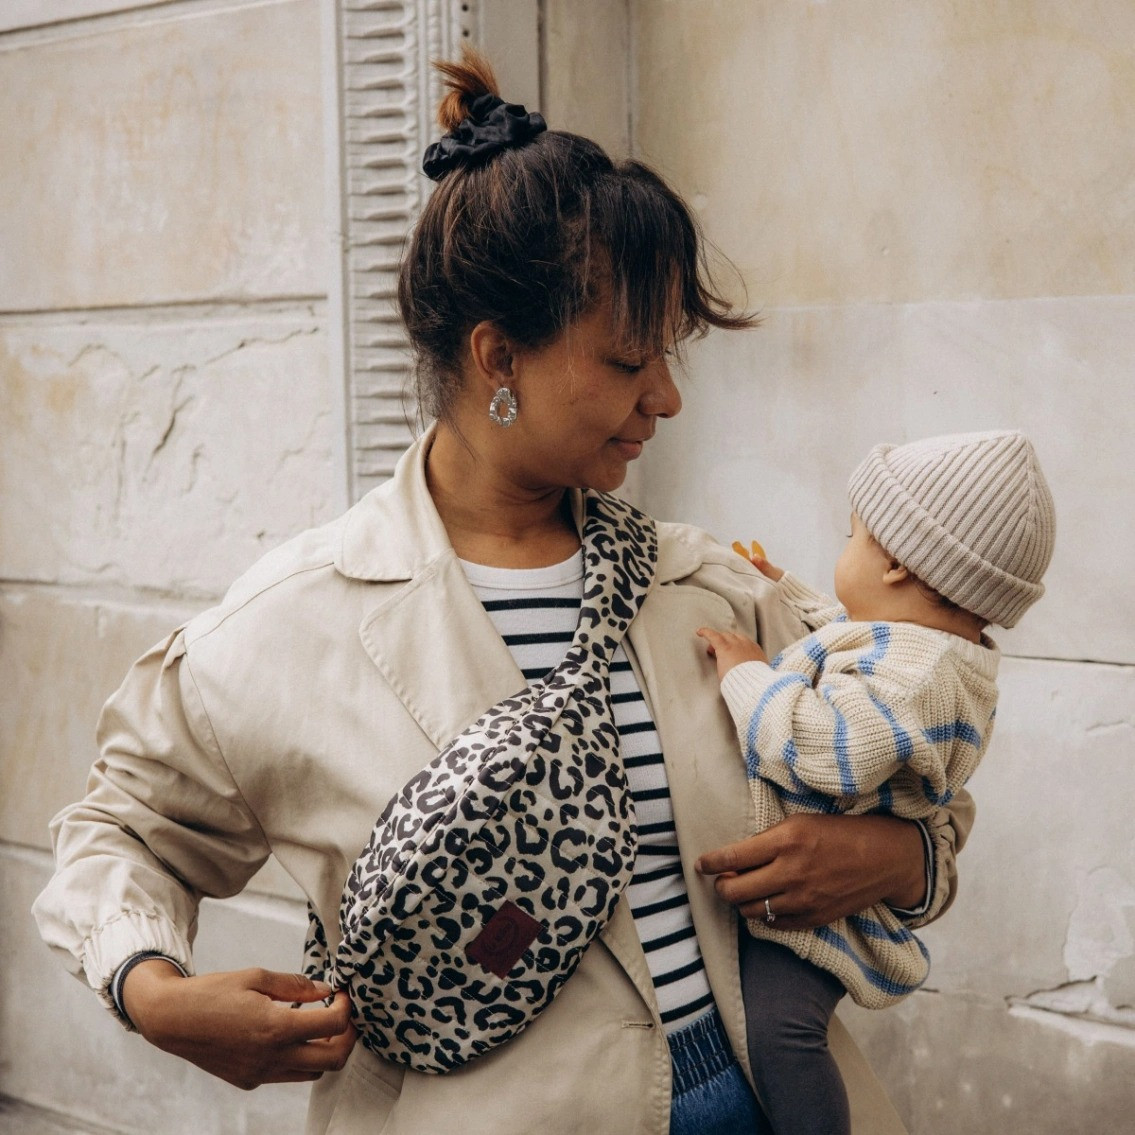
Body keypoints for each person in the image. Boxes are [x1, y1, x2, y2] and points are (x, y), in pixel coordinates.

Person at [34, 50, 972, 1135]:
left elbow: (924, 785)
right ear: (498, 358)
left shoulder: (708, 589)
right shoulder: (287, 626)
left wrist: (896, 858)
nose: (666, 397)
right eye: (628, 360)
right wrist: (155, 995)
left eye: (668, 356)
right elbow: (123, 832)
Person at [697, 429, 1055, 1134]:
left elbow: (826, 747)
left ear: (894, 563)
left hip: (824, 912)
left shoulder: (917, 676)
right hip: (816, 889)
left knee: (780, 1032)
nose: (844, 548)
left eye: (851, 535)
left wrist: (747, 674)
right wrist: (780, 584)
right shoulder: (922, 647)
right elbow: (848, 630)